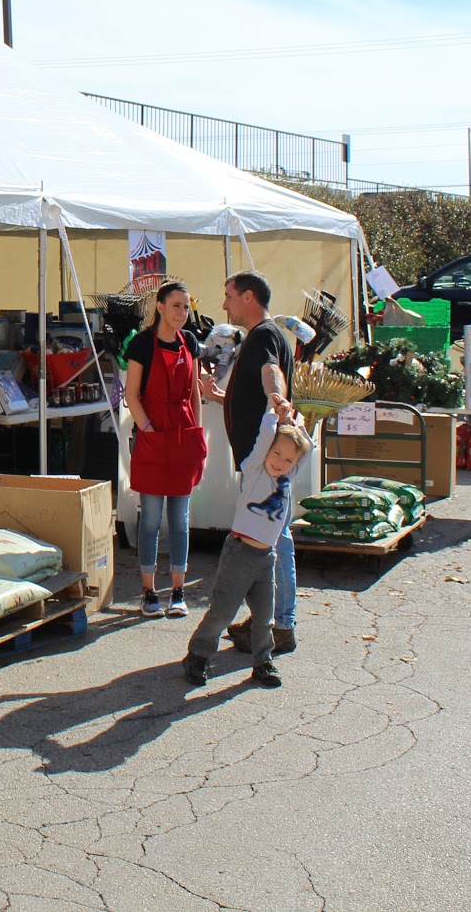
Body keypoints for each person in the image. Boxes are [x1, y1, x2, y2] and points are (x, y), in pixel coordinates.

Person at [202, 270, 300, 656]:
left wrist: (278, 399)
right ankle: (271, 622)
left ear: (248, 297)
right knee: (268, 540)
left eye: (229, 296)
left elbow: (271, 374)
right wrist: (218, 397)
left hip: (264, 464)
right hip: (261, 461)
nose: (224, 304)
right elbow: (251, 397)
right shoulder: (264, 336)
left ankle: (280, 625)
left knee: (271, 542)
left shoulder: (263, 336)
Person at [182, 412, 314, 688]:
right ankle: (198, 654)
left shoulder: (286, 478)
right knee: (223, 611)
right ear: (267, 451)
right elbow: (265, 436)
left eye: (288, 460)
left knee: (265, 617)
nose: (280, 462)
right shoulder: (254, 470)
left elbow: (308, 449)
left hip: (266, 557)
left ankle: (262, 661)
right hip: (240, 553)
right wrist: (275, 413)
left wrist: (296, 423)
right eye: (276, 454)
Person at [122, 281, 209, 618]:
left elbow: (194, 394)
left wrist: (198, 434)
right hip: (153, 437)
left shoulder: (190, 342)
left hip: (184, 436)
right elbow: (132, 394)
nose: (181, 313)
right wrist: (148, 429)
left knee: (180, 520)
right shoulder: (142, 344)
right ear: (159, 307)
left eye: (185, 307)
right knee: (150, 520)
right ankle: (148, 591)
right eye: (176, 306)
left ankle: (177, 590)